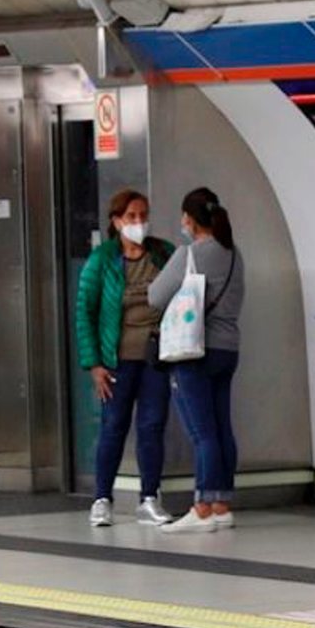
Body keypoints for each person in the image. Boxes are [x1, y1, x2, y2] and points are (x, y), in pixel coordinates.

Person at [145, 187, 245, 534]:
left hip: (193, 350)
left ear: (189, 219)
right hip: (227, 349)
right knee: (221, 428)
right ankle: (222, 505)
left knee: (202, 433)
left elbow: (155, 295)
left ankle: (202, 507)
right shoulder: (234, 254)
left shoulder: (190, 254)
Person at [75, 188, 175, 527]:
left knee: (152, 426)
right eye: (131, 216)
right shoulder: (102, 260)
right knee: (113, 426)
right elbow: (84, 312)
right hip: (116, 360)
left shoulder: (163, 253)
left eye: (143, 215)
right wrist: (94, 365)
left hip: (156, 357)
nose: (138, 222)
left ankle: (149, 498)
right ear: (116, 221)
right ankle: (102, 498)